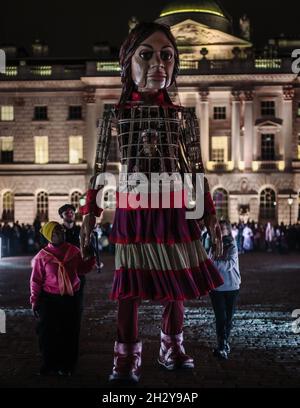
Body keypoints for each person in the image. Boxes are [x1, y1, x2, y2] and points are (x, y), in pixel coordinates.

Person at [79, 22, 224, 384]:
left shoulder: (183, 116)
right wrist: (89, 215)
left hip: (174, 205)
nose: (159, 63)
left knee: (176, 288)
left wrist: (210, 216)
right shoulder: (115, 115)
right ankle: (126, 357)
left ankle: (170, 346)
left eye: (167, 55)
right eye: (146, 54)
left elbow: (195, 170)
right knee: (129, 290)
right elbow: (100, 170)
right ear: (128, 63)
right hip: (135, 205)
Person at [30, 221, 95, 376]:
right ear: (49, 236)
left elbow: (83, 269)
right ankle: (49, 363)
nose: (60, 233)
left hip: (71, 299)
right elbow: (36, 280)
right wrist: (34, 300)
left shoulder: (74, 251)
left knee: (70, 332)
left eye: (61, 230)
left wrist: (90, 257)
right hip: (49, 299)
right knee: (48, 333)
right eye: (56, 232)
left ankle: (68, 365)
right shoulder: (42, 256)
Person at [209, 220, 241, 360]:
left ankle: (225, 342)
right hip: (216, 287)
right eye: (219, 229)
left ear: (228, 230)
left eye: (223, 229)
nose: (221, 231)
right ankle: (221, 345)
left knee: (228, 318)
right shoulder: (213, 246)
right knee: (220, 318)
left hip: (232, 286)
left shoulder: (233, 246)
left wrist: (212, 263)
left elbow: (229, 265)